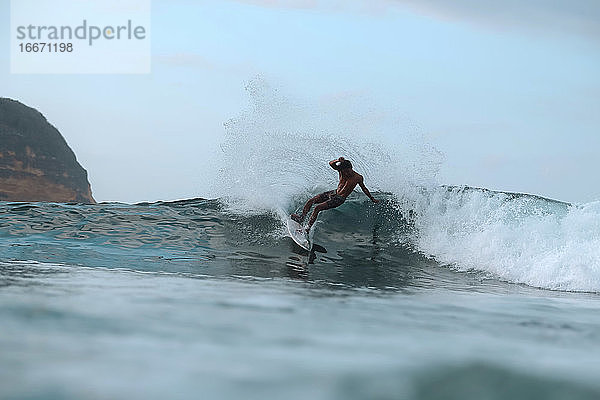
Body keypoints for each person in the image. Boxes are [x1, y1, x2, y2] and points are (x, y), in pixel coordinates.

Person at [291, 157, 379, 233]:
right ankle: (302, 218)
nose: (346, 173)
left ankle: (307, 229)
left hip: (339, 199)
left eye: (347, 171)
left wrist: (372, 198)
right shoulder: (341, 171)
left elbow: (364, 189)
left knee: (318, 208)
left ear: (351, 168)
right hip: (334, 192)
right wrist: (338, 160)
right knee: (311, 200)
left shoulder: (358, 177)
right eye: (344, 171)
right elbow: (331, 164)